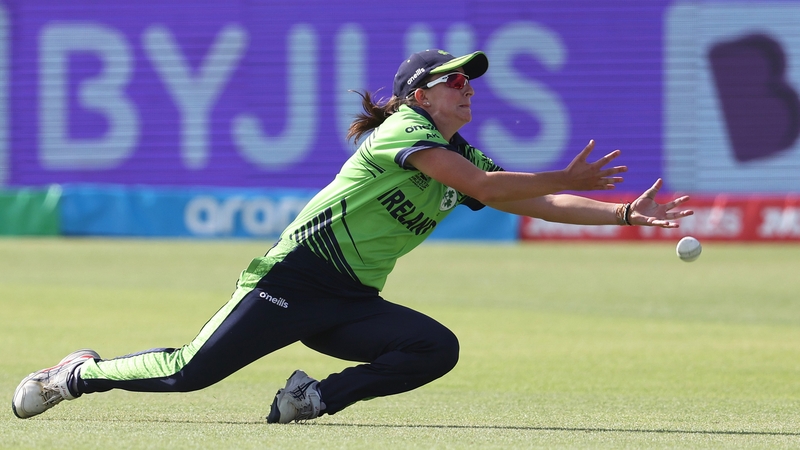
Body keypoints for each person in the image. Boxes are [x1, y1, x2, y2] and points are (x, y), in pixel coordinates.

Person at [12, 49, 693, 423]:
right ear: (419, 95)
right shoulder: (403, 132)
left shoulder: (462, 153)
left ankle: (311, 398)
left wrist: (622, 215)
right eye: (455, 80)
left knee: (435, 348)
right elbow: (487, 188)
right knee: (189, 374)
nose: (468, 89)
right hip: (293, 279)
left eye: (470, 82)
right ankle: (75, 374)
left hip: (350, 300)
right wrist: (564, 172)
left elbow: (533, 201)